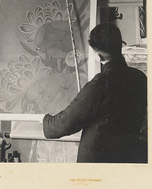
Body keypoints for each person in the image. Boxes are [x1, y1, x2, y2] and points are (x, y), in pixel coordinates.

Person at [43, 23, 147, 163]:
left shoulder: (100, 84)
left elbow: (66, 123)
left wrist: (46, 121)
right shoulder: (140, 78)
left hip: (98, 162)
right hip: (127, 159)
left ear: (99, 56)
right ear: (119, 46)